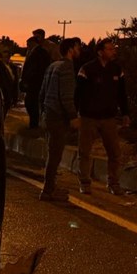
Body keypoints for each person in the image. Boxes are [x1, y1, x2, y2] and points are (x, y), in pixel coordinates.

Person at [75, 38, 130, 195]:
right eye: (110, 49)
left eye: (114, 49)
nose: (114, 51)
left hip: (109, 118)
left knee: (114, 153)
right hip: (88, 117)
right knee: (85, 152)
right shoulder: (87, 69)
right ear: (100, 52)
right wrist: (75, 114)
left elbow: (122, 94)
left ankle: (113, 183)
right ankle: (84, 182)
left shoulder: (117, 70)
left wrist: (126, 113)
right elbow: (77, 94)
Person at [38, 38, 82, 201]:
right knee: (55, 154)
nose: (80, 51)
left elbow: (42, 93)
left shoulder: (52, 66)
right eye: (78, 48)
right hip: (58, 116)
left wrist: (43, 111)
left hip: (49, 113)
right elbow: (66, 96)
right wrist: (73, 116)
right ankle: (48, 190)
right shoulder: (67, 67)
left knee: (52, 152)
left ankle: (49, 187)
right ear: (70, 49)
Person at [20, 29, 59, 128]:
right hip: (34, 83)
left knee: (33, 104)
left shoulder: (45, 50)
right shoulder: (33, 51)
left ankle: (35, 124)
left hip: (36, 83)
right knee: (31, 103)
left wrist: (29, 80)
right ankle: (34, 124)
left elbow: (38, 68)